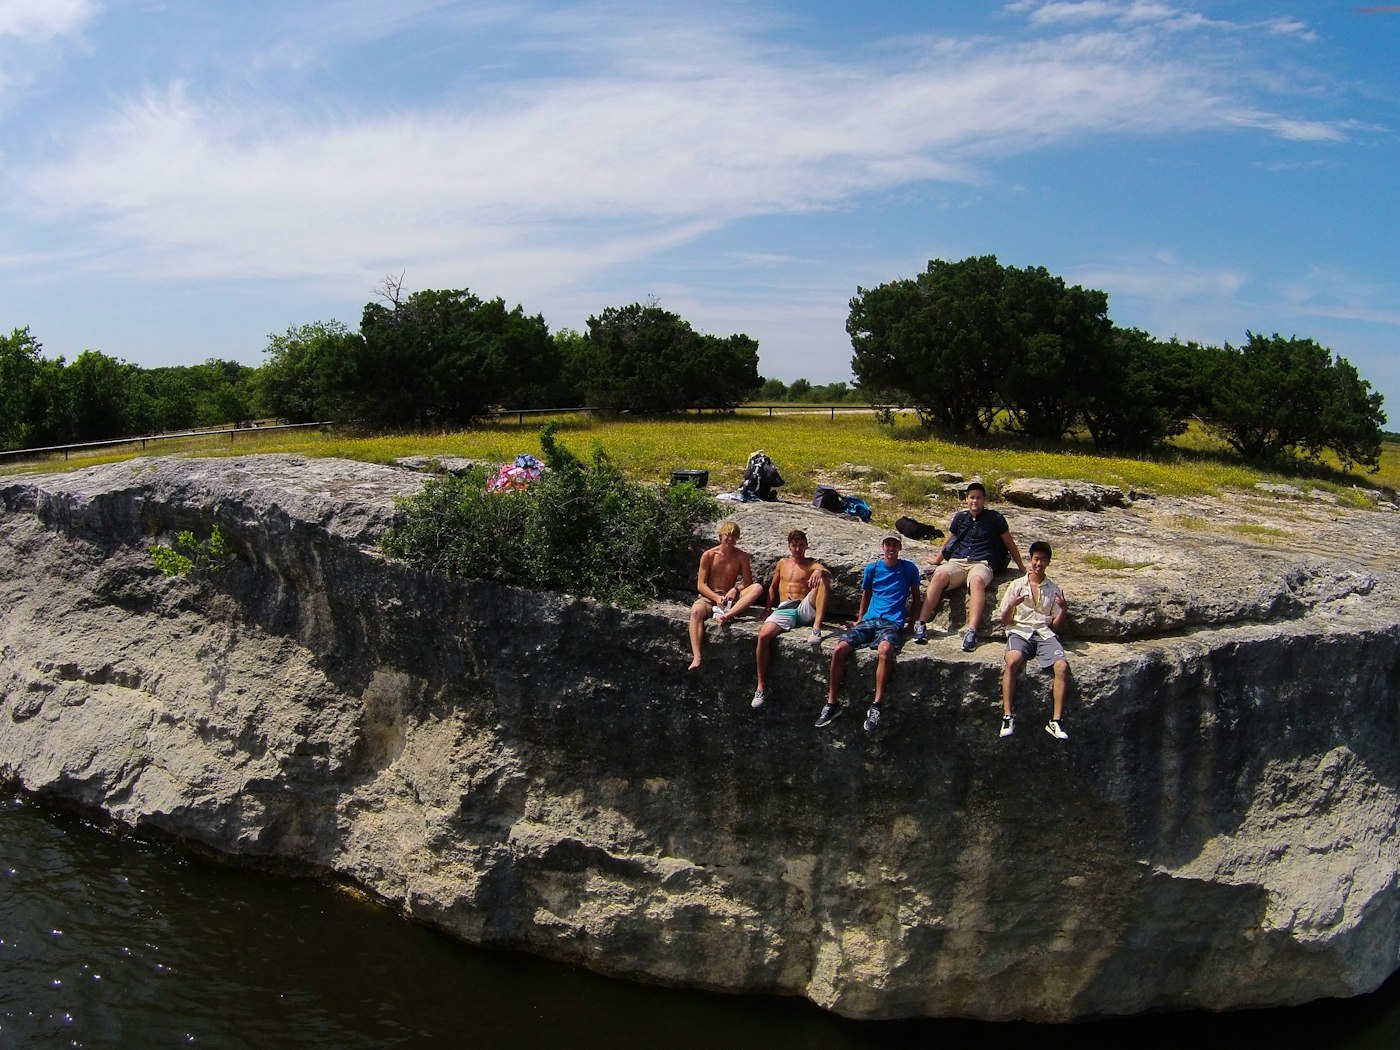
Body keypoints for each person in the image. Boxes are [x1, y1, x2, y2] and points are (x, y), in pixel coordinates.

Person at [815, 535, 922, 733]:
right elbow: (867, 594)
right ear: (882, 547)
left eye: (894, 545)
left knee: (885, 650)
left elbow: (916, 596)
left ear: (900, 547)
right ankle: (831, 703)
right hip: (870, 620)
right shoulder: (872, 568)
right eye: (888, 544)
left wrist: (912, 623)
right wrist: (860, 619)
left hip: (892, 622)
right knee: (840, 649)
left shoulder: (909, 569)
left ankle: (876, 705)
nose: (891, 548)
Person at [913, 481, 1025, 653]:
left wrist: (1022, 568)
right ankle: (921, 623)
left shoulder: (995, 518)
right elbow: (950, 539)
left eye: (978, 498)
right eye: (972, 497)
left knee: (977, 581)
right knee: (939, 575)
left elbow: (1009, 543)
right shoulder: (960, 517)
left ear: (984, 499)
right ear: (966, 499)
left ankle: (971, 631)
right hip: (958, 561)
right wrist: (937, 559)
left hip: (982, 562)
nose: (975, 501)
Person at [997, 540, 1070, 740]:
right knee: (1012, 661)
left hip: (1044, 632)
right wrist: (1012, 604)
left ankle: (1056, 721)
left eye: (1043, 560)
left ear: (1048, 562)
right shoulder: (1016, 585)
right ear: (1031, 560)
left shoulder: (1054, 588)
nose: (1039, 564)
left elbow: (1056, 627)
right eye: (1036, 559)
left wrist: (1063, 610)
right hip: (1020, 630)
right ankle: (1008, 716)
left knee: (1062, 666)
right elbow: (1005, 620)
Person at [751, 529, 830, 708]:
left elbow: (828, 574)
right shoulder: (782, 563)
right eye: (794, 546)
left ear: (806, 546)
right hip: (785, 608)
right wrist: (768, 608)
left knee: (824, 580)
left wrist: (821, 572)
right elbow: (773, 587)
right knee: (763, 636)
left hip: (803, 608)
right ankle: (761, 686)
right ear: (789, 546)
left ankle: (816, 628)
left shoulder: (812, 565)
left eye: (801, 545)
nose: (798, 549)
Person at [688, 521, 765, 671]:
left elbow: (748, 583)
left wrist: (735, 589)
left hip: (731, 600)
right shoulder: (709, 555)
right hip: (710, 597)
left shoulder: (741, 556)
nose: (731, 539)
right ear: (720, 536)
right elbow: (701, 585)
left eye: (734, 536)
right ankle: (697, 656)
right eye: (728, 535)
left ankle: (727, 615)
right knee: (696, 611)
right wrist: (716, 598)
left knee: (757, 588)